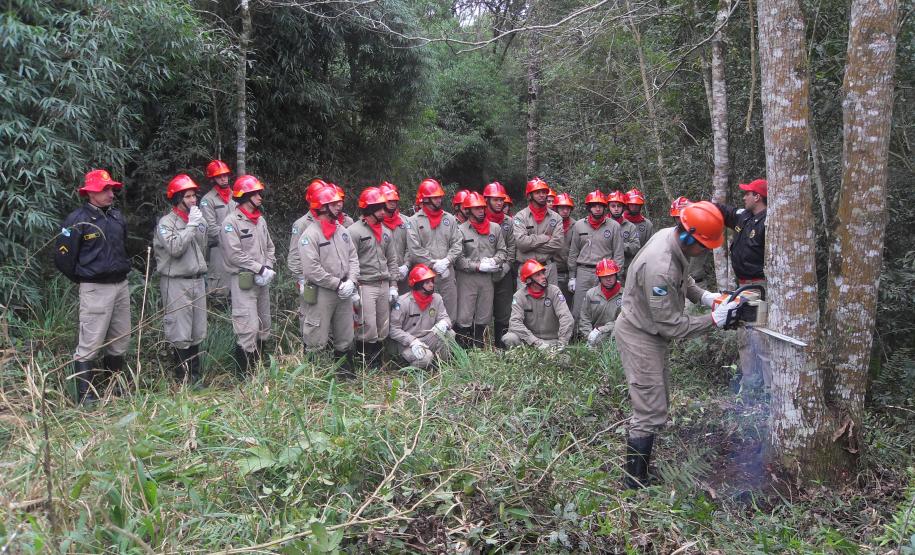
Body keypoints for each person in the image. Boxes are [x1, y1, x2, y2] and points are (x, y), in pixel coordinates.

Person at [612, 201, 738, 488]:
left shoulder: (670, 236)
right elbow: (671, 327)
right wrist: (715, 320)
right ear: (689, 237)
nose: (705, 251)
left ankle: (641, 471)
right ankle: (634, 481)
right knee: (649, 408)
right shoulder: (661, 267)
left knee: (658, 401)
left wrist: (706, 297)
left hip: (649, 332)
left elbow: (684, 279)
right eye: (704, 246)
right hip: (640, 334)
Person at [55, 169, 132, 404]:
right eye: (105, 190)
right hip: (95, 288)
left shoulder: (117, 217)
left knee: (120, 339)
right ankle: (86, 397)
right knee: (90, 342)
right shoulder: (77, 220)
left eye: (111, 189)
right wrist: (84, 279)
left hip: (121, 286)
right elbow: (62, 258)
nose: (111, 194)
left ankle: (113, 388)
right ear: (90, 193)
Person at [297, 185, 361, 376]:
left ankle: (345, 375)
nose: (339, 206)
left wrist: (351, 281)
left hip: (345, 290)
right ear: (322, 207)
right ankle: (313, 379)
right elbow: (312, 269)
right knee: (316, 336)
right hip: (322, 292)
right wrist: (337, 284)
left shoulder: (342, 230)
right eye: (333, 204)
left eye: (338, 203)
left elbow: (353, 258)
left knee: (345, 335)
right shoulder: (310, 235)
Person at [715, 178, 770, 391]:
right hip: (742, 287)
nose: (744, 196)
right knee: (743, 338)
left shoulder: (768, 222)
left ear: (757, 197)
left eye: (748, 193)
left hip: (759, 287)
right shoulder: (743, 216)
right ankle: (749, 383)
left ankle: (769, 389)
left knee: (761, 339)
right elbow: (723, 211)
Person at [153, 174, 208, 385]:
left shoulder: (196, 219)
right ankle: (182, 379)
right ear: (177, 199)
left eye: (194, 195)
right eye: (188, 196)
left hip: (197, 279)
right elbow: (175, 248)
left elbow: (202, 248)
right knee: (180, 330)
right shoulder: (166, 223)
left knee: (197, 330)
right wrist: (191, 226)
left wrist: (195, 224)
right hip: (176, 281)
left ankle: (195, 377)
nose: (194, 200)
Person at [220, 175, 276, 373]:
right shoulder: (231, 222)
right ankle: (244, 375)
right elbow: (234, 254)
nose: (260, 197)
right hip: (243, 281)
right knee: (247, 327)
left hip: (262, 281)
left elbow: (270, 247)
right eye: (256, 194)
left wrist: (267, 267)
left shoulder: (260, 220)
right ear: (245, 196)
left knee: (264, 325)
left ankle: (260, 370)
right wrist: (258, 268)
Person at [348, 187, 399, 369]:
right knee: (367, 326)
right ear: (369, 209)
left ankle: (378, 364)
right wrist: (353, 289)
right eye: (380, 208)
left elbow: (392, 260)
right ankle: (365, 364)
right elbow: (349, 261)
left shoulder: (386, 231)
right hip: (365, 284)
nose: (384, 211)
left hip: (383, 283)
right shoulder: (354, 231)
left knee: (382, 326)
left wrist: (394, 285)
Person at [454, 192, 507, 348]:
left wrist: (494, 261)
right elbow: (458, 258)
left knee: (484, 315)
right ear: (468, 210)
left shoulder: (495, 228)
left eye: (483, 208)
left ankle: (479, 348)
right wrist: (476, 266)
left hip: (487, 278)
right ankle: (463, 350)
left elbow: (502, 251)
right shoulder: (460, 230)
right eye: (477, 209)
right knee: (464, 315)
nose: (481, 211)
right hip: (467, 278)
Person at [405, 178, 463, 320]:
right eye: (435, 197)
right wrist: (433, 264)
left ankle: (449, 342)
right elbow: (415, 249)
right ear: (425, 200)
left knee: (449, 315)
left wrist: (447, 260)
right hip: (424, 278)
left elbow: (457, 243)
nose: (439, 200)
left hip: (447, 275)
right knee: (426, 317)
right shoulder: (413, 221)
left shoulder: (449, 219)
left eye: (439, 197)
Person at [568, 190, 624, 324]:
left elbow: (618, 254)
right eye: (594, 205)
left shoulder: (614, 226)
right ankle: (577, 336)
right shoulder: (579, 225)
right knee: (579, 305)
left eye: (600, 205)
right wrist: (572, 276)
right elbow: (573, 251)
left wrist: (618, 276)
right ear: (589, 207)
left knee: (602, 305)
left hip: (606, 272)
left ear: (605, 207)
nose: (597, 208)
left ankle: (601, 335)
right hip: (584, 271)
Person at [389, 264, 454, 369]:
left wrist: (444, 323)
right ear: (417, 284)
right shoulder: (403, 302)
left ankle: (441, 367)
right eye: (427, 282)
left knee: (449, 334)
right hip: (409, 343)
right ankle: (409, 369)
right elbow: (394, 329)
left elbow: (445, 317)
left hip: (428, 337)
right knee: (426, 358)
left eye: (432, 281)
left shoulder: (436, 299)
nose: (432, 285)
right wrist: (412, 341)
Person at [502, 259, 574, 350]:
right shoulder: (519, 296)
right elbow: (514, 323)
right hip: (529, 341)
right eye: (538, 275)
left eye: (543, 273)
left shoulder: (554, 291)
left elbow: (566, 317)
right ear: (528, 280)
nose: (543, 277)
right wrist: (535, 341)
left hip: (552, 341)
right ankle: (519, 360)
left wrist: (562, 342)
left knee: (564, 362)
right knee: (509, 338)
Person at [512, 177, 564, 287]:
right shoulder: (520, 217)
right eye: (537, 192)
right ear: (530, 195)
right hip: (526, 268)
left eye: (544, 192)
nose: (542, 195)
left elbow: (558, 244)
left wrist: (530, 245)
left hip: (548, 267)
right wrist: (545, 238)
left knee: (550, 302)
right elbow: (521, 244)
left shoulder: (556, 218)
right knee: (525, 302)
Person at [483, 182, 517, 348]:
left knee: (504, 312)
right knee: (481, 311)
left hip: (503, 272)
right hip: (481, 273)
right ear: (487, 200)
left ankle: (501, 347)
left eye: (501, 200)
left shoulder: (509, 222)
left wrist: (505, 268)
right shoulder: (479, 218)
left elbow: (512, 248)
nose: (499, 203)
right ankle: (479, 347)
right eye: (495, 199)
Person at [199, 160, 233, 299]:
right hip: (218, 247)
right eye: (220, 176)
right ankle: (216, 314)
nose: (224, 178)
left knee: (238, 282)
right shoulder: (208, 200)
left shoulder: (236, 196)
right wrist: (231, 238)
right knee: (219, 288)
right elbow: (211, 227)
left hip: (237, 247)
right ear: (213, 178)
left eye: (225, 175)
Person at [578, 259, 623, 349]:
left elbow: (624, 320)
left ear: (616, 275)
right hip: (594, 336)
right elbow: (584, 318)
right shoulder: (591, 294)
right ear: (599, 278)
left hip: (616, 335)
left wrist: (602, 329)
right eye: (604, 276)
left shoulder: (625, 295)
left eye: (611, 275)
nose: (608, 279)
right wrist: (589, 336)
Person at [379, 181, 411, 293]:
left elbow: (411, 246)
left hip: (404, 276)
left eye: (395, 200)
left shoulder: (406, 221)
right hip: (383, 278)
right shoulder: (375, 223)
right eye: (389, 200)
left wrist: (406, 266)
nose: (393, 203)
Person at [607, 190, 641, 271]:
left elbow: (636, 247)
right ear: (608, 207)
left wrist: (619, 245)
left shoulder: (630, 226)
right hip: (606, 269)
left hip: (626, 268)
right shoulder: (603, 225)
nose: (616, 209)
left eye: (619, 206)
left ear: (623, 208)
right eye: (613, 206)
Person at [552, 193, 576, 303]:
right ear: (556, 208)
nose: (565, 211)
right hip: (553, 269)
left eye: (567, 208)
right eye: (562, 208)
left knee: (570, 302)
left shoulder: (576, 225)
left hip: (571, 271)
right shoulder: (550, 223)